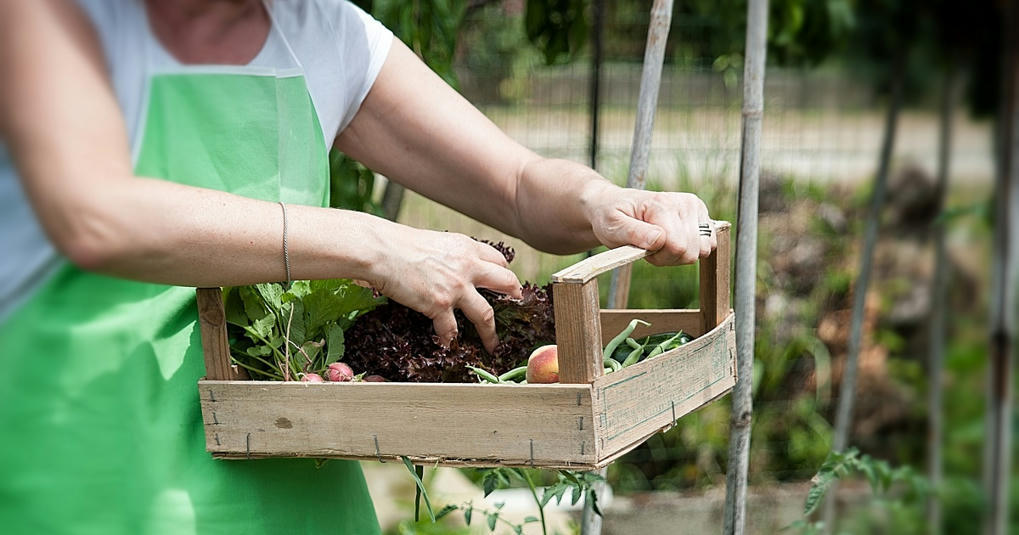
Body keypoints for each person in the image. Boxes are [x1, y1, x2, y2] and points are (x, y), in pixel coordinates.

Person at [0, 0, 716, 533]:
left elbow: (519, 186)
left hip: (290, 487)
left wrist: (605, 201)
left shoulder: (319, 32)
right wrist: (376, 244)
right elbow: (93, 212)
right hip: (88, 479)